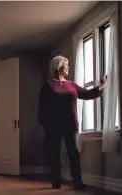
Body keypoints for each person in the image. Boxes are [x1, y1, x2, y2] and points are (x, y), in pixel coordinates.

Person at [38, 55, 107, 190]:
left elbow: (87, 94)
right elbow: (42, 108)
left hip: (71, 125)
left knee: (74, 154)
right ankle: (56, 182)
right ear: (59, 67)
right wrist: (44, 125)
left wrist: (102, 85)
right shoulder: (48, 85)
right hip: (53, 126)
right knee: (54, 154)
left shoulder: (72, 85)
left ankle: (78, 183)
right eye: (66, 65)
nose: (68, 67)